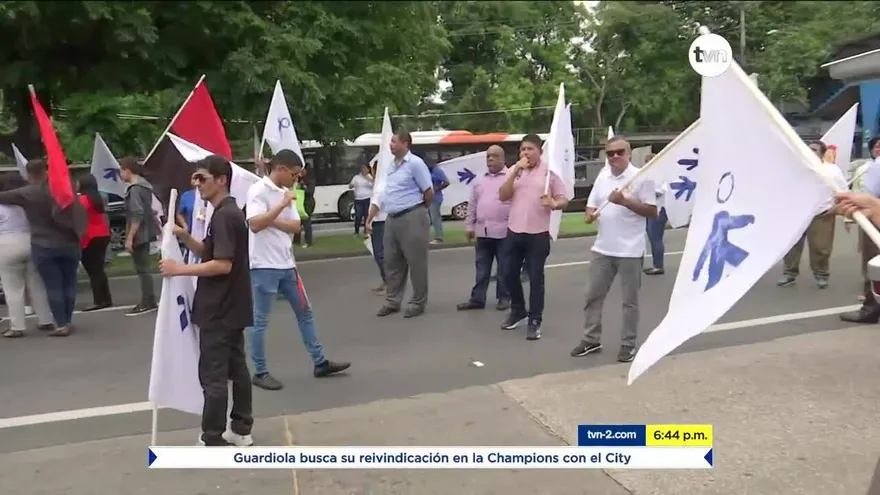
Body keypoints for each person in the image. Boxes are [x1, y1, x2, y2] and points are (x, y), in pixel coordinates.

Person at [159, 155, 254, 447]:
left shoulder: (225, 215)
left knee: (214, 375)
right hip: (232, 305)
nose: (196, 184)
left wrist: (179, 269)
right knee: (236, 369)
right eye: (195, 178)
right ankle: (241, 429)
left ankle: (213, 435)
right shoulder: (226, 212)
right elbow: (209, 252)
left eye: (201, 178)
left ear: (221, 180)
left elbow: (222, 264)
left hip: (219, 307)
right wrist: (185, 236)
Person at [246, 150, 350, 390]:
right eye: (293, 174)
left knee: (305, 312)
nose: (296, 179)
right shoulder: (258, 191)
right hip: (264, 265)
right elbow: (254, 224)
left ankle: (319, 361)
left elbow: (295, 226)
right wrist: (280, 207)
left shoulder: (287, 192)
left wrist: (272, 218)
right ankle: (260, 371)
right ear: (281, 169)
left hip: (287, 264)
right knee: (260, 320)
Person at [571, 136, 657, 362]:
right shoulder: (603, 176)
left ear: (629, 153)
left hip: (630, 250)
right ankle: (591, 339)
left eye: (620, 152)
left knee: (629, 302)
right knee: (592, 296)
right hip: (603, 248)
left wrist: (625, 201)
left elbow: (652, 211)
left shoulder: (642, 177)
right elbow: (592, 204)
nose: (615, 156)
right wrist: (590, 214)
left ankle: (628, 344)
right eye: (610, 153)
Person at [0, 160, 84, 337]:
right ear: (46, 171)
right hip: (69, 241)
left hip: (42, 244)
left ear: (28, 174)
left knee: (52, 285)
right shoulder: (62, 188)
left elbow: (4, 197)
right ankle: (62, 320)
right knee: (68, 283)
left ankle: (60, 324)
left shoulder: (26, 193)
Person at [498, 134, 569, 340]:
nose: (525, 153)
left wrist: (553, 203)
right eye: (522, 149)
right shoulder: (515, 170)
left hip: (538, 234)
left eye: (530, 149)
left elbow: (563, 199)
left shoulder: (549, 173)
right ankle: (518, 310)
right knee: (507, 273)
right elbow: (503, 195)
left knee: (536, 278)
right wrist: (515, 171)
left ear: (540, 151)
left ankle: (535, 320)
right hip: (514, 231)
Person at [374, 130, 434, 318]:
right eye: (390, 142)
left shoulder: (415, 163)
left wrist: (421, 209)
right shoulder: (391, 165)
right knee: (391, 261)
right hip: (392, 218)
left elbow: (429, 191)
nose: (390, 145)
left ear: (405, 143)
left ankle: (418, 302)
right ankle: (393, 301)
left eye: (394, 142)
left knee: (416, 262)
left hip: (412, 215)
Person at [777, 140, 847, 289]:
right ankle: (789, 274)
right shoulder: (797, 168)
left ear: (822, 153)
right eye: (809, 149)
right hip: (798, 214)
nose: (810, 151)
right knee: (792, 245)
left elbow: (843, 191)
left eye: (814, 149)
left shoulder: (832, 170)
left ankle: (821, 275)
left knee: (821, 247)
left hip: (822, 214)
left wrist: (836, 208)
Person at [0, 173, 54, 338]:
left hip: (6, 244)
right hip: (31, 241)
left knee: (13, 288)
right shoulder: (29, 204)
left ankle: (17, 326)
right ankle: (45, 319)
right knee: (37, 284)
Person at [457, 145, 511, 311]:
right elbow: (472, 204)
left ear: (503, 159)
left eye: (494, 156)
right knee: (482, 269)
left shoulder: (511, 177)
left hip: (504, 232)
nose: (490, 159)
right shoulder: (479, 180)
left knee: (504, 268)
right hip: (483, 232)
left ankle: (504, 297)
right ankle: (477, 299)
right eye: (488, 156)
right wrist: (469, 225)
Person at [841, 136, 880, 323]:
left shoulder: (876, 166)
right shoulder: (868, 166)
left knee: (873, 265)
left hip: (874, 219)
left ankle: (870, 308)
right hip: (872, 214)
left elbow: (870, 193)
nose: (877, 146)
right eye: (876, 143)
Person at [119, 157, 159, 316]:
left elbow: (137, 213)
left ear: (128, 171)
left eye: (121, 170)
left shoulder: (135, 189)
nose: (120, 174)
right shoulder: (145, 186)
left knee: (142, 269)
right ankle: (149, 299)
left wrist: (129, 237)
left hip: (139, 233)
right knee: (144, 268)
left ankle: (148, 301)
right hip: (147, 230)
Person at [77, 174, 113, 311]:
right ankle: (106, 298)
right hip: (102, 233)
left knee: (93, 270)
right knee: (99, 269)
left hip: (89, 236)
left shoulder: (82, 200)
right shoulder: (98, 198)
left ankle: (98, 300)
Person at [643, 153, 668, 275]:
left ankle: (658, 266)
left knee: (656, 237)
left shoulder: (662, 175)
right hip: (650, 208)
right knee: (652, 237)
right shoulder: (648, 176)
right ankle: (656, 264)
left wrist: (648, 192)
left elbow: (662, 191)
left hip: (659, 209)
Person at [366, 162, 387, 293]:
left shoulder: (380, 186)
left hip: (380, 222)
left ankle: (389, 283)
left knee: (381, 254)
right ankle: (385, 281)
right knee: (380, 253)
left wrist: (368, 221)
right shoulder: (382, 184)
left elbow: (376, 205)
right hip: (381, 221)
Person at [428, 160, 449, 244]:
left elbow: (446, 182)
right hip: (429, 197)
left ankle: (439, 238)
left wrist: (436, 189)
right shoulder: (430, 171)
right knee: (429, 219)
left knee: (435, 218)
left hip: (436, 197)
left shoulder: (437, 170)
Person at [349, 164, 374, 236]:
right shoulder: (356, 177)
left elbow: (374, 185)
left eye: (365, 168)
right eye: (362, 168)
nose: (364, 170)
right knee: (358, 215)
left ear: (368, 169)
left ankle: (366, 231)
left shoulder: (370, 177)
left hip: (368, 198)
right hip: (358, 199)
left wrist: (368, 179)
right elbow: (350, 185)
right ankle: (356, 231)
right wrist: (352, 185)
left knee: (367, 215)